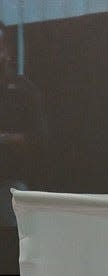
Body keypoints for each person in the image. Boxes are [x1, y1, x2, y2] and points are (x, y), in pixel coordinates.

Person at [0, 21, 45, 226]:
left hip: (13, 184)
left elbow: (39, 138)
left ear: (7, 50)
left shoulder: (24, 90)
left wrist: (6, 139)